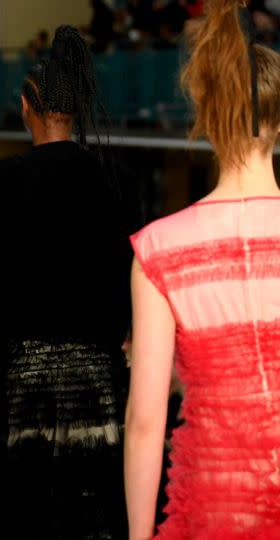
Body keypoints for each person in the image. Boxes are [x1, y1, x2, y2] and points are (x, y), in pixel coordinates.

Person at [0, 25, 133, 539]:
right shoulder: (117, 182)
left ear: (29, 104)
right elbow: (133, 278)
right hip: (99, 383)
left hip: (14, 386)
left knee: (20, 517)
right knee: (91, 516)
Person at [125, 2, 280, 538]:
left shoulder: (159, 249)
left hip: (214, 509)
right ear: (279, 120)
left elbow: (147, 421)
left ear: (206, 116)